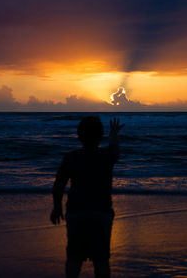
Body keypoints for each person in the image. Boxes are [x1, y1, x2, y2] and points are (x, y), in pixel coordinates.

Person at [50, 116, 123, 278]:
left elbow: (59, 185)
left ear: (79, 135)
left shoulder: (71, 157)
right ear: (100, 136)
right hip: (101, 214)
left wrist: (57, 207)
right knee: (101, 261)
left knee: (74, 259)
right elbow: (114, 145)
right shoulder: (107, 156)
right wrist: (113, 133)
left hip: (77, 213)